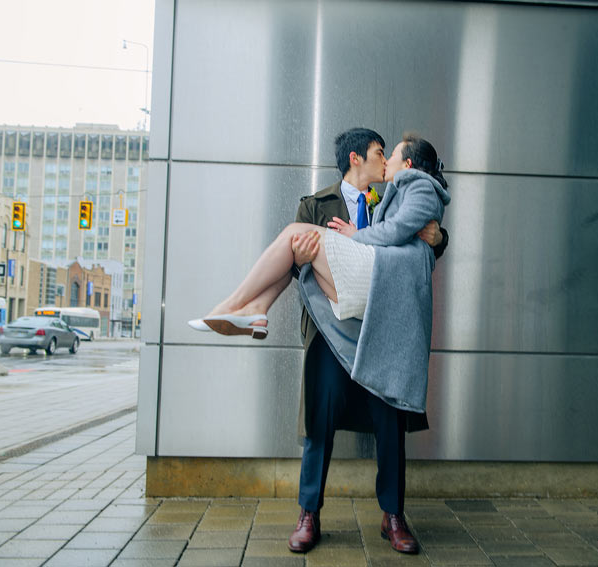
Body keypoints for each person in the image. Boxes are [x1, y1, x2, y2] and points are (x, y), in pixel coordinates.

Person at [188, 129, 450, 554]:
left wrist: (436, 236)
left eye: (389, 155)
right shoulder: (315, 204)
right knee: (320, 420)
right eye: (378, 154)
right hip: (332, 327)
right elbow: (293, 266)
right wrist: (318, 246)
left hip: (379, 325)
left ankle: (394, 516)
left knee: (389, 421)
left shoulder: (393, 197)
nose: (385, 163)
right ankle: (309, 512)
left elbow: (423, 241)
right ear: (355, 159)